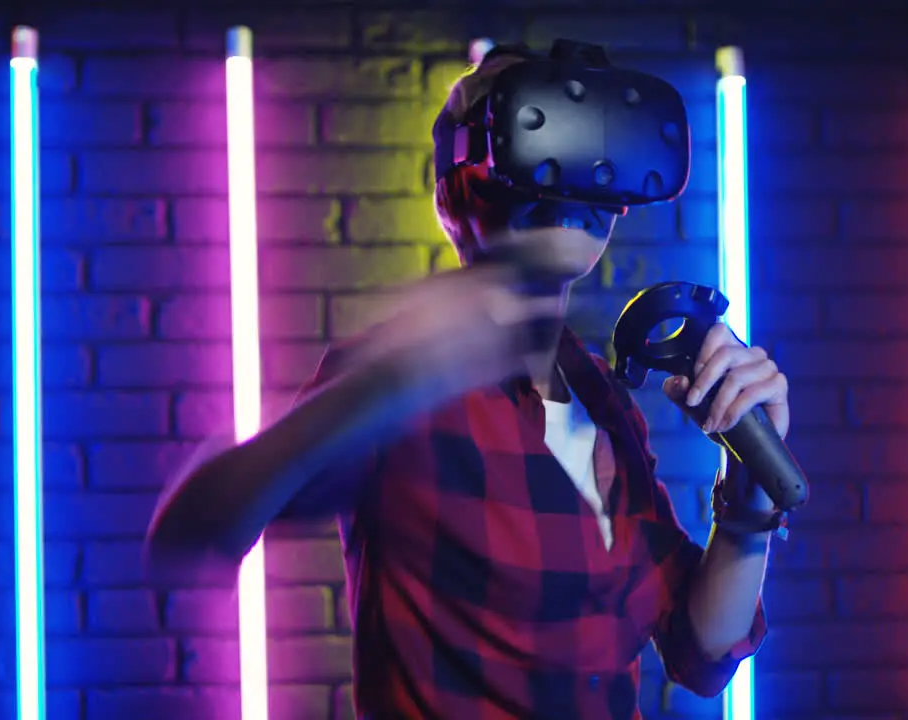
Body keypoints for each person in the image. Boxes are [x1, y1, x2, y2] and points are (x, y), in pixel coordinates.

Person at [146, 47, 790, 719]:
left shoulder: (604, 403)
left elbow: (701, 650)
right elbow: (195, 528)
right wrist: (389, 384)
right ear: (463, 183)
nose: (564, 183)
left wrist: (749, 485)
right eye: (536, 138)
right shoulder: (404, 382)